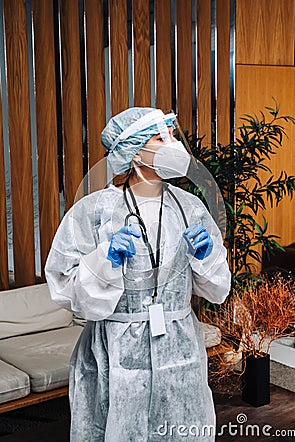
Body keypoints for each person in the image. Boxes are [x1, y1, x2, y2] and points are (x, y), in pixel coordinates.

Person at [45, 107, 231, 442]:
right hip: (114, 352)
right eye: (161, 138)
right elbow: (64, 289)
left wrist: (208, 258)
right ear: (133, 151)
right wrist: (105, 260)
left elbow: (217, 290)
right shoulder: (93, 212)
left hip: (180, 348)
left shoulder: (190, 209)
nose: (174, 144)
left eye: (173, 135)